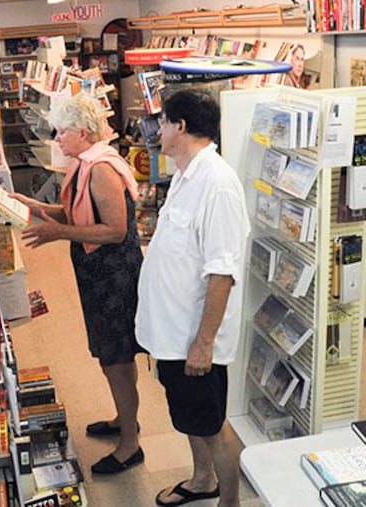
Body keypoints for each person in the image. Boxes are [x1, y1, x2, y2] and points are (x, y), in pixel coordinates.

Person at [12, 92, 144, 474]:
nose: (56, 139)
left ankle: (130, 444)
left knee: (116, 358)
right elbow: (76, 212)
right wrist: (34, 207)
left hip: (114, 277)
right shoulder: (86, 163)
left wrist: (58, 233)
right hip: (98, 273)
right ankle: (124, 417)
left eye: (62, 132)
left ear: (84, 133)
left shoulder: (101, 168)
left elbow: (116, 230)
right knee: (111, 355)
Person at [135, 89, 250, 507]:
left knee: (211, 424)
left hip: (193, 339)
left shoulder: (217, 184)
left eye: (163, 122)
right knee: (189, 418)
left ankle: (230, 501)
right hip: (172, 333)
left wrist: (203, 344)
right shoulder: (186, 174)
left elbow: (223, 273)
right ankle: (203, 480)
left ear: (181, 127)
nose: (159, 130)